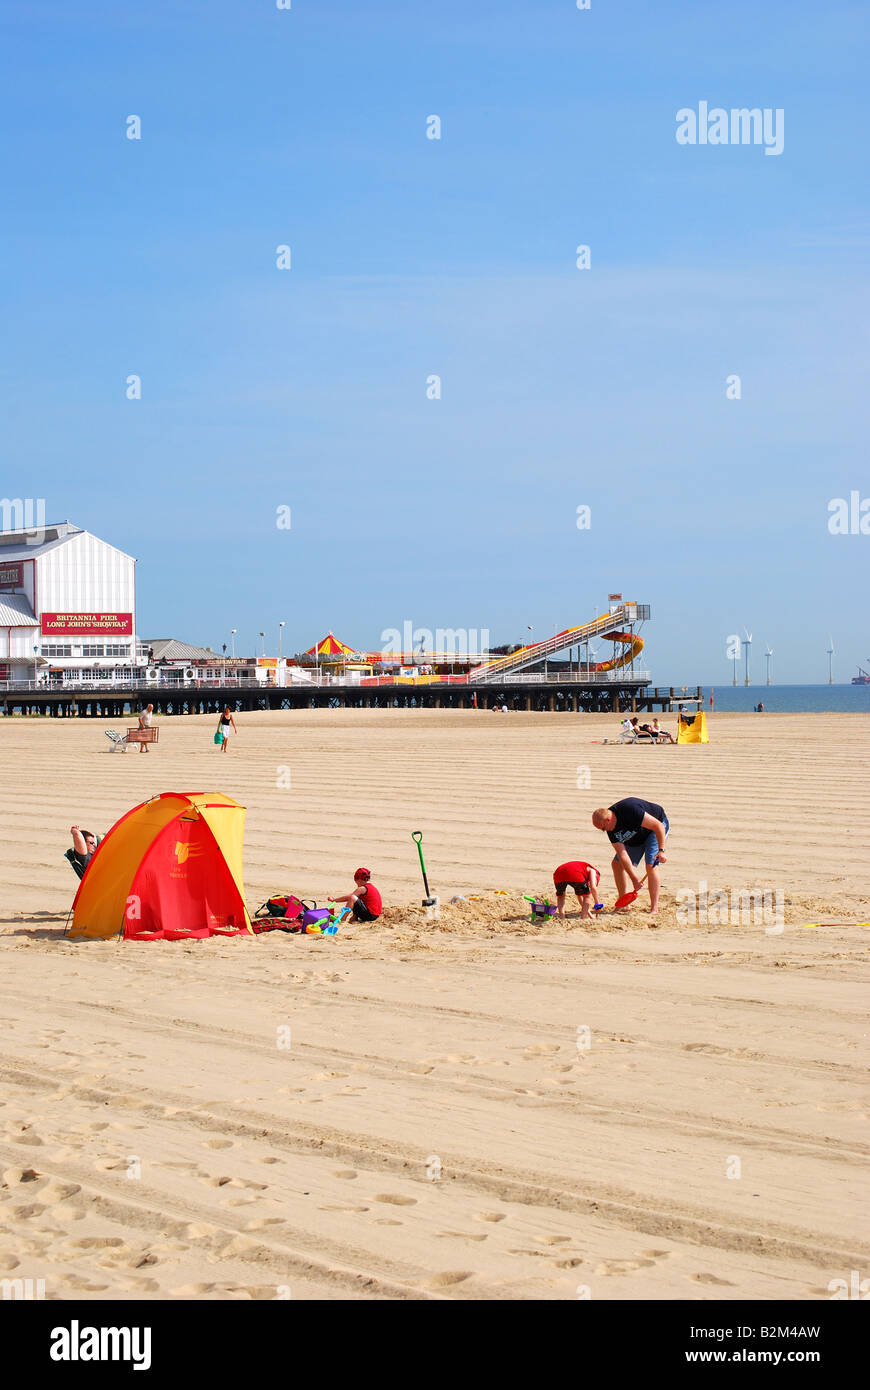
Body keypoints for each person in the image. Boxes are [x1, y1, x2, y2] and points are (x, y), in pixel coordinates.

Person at [592, 798, 669, 914]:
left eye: (602, 828)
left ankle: (654, 908)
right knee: (617, 864)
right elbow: (622, 854)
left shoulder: (630, 809)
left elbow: (658, 826)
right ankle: (624, 903)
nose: (604, 831)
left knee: (650, 865)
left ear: (608, 820)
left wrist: (661, 850)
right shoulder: (611, 830)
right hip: (636, 835)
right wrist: (634, 879)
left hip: (655, 829)